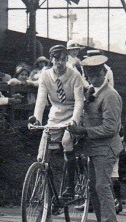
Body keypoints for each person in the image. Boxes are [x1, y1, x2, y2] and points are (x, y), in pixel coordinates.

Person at [68, 54, 123, 222]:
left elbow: (111, 128)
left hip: (106, 148)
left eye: (95, 74)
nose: (91, 78)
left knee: (102, 186)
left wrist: (84, 131)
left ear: (104, 73)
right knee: (94, 188)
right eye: (88, 74)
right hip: (95, 148)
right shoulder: (93, 92)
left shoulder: (109, 95)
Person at [31, 44, 86, 197]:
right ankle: (46, 192)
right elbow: (41, 100)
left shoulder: (74, 75)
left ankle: (70, 187)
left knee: (67, 141)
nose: (60, 63)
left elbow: (79, 101)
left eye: (63, 59)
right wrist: (37, 119)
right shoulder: (45, 76)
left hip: (73, 113)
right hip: (55, 115)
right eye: (56, 59)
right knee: (42, 153)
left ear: (67, 59)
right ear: (51, 59)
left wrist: (74, 121)